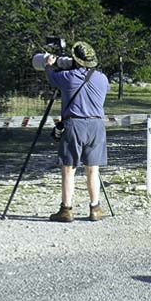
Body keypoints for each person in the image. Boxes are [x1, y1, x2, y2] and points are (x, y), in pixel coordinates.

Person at [46, 41, 110, 223]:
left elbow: (51, 77)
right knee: (93, 169)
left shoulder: (68, 77)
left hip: (75, 124)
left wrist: (50, 65)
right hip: (97, 125)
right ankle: (95, 207)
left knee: (68, 169)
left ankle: (66, 209)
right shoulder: (102, 78)